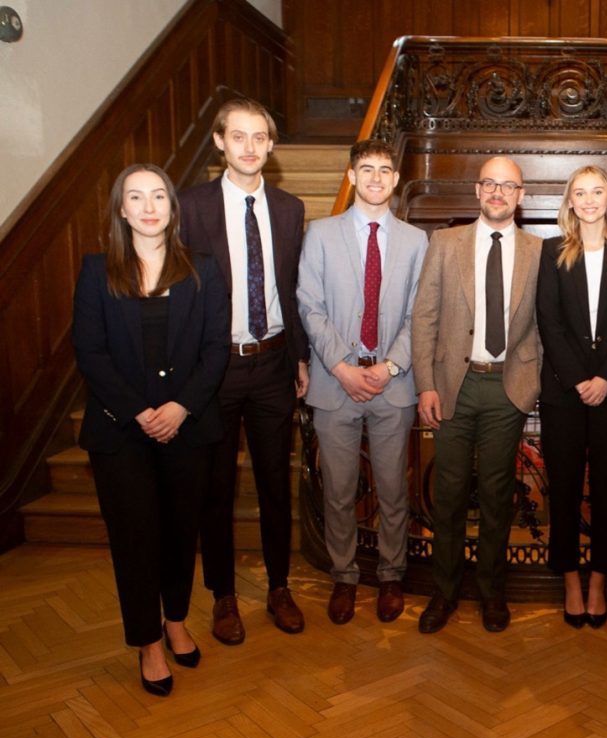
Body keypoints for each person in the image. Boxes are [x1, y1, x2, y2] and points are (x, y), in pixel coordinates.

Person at [73, 164, 230, 696]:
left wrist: (181, 407)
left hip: (189, 426)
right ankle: (147, 642)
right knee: (136, 537)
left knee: (181, 532)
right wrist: (141, 411)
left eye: (158, 195)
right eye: (135, 197)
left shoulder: (204, 269)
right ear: (121, 209)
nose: (148, 206)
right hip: (120, 432)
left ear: (172, 206)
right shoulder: (97, 271)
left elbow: (214, 351)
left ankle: (177, 619)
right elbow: (90, 352)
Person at [179, 98, 309, 644]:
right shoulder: (190, 207)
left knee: (276, 483)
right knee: (216, 487)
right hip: (214, 370)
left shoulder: (290, 207)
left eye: (260, 137)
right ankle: (223, 596)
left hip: (275, 364)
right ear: (219, 142)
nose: (250, 147)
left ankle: (279, 586)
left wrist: (300, 355)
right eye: (239, 137)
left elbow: (292, 288)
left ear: (272, 145)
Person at [297, 139, 428, 624]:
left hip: (393, 384)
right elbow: (309, 304)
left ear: (395, 180)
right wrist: (341, 367)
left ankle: (392, 575)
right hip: (336, 384)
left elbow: (421, 314)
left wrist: (389, 366)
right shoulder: (320, 234)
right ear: (351, 176)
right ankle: (344, 575)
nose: (376, 177)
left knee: (394, 488)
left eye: (385, 170)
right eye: (366, 169)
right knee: (339, 489)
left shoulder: (417, 241)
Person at [412, 157, 543, 634]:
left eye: (508, 186)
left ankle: (492, 592)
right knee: (446, 497)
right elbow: (424, 316)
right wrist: (425, 383)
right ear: (476, 189)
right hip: (452, 387)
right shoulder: (445, 243)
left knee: (495, 497)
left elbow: (544, 328)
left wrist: (532, 385)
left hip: (507, 388)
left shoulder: (537, 250)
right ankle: (443, 593)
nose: (498, 192)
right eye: (490, 183)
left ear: (521, 195)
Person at [536, 166, 607, 629]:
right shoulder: (552, 251)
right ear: (570, 201)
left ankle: (600, 578)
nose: (587, 200)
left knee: (606, 490)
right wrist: (580, 377)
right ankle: (570, 580)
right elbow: (549, 319)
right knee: (562, 491)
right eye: (579, 192)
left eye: (596, 191)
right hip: (565, 392)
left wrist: (605, 378)